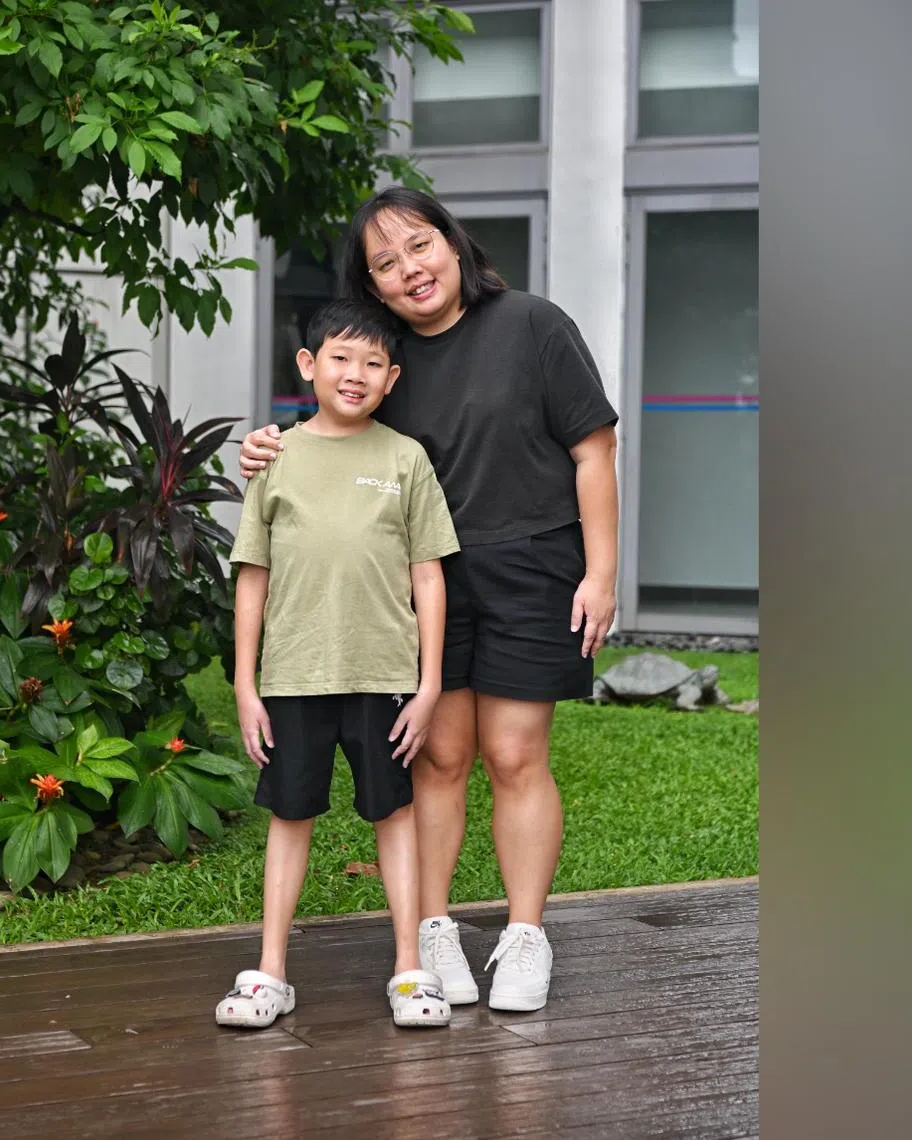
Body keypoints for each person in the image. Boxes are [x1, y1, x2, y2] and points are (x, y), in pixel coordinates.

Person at [238, 187, 620, 1014]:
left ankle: (524, 935)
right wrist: (267, 442)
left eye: (419, 246)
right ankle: (435, 928)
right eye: (385, 264)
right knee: (438, 756)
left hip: (533, 564)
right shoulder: (384, 359)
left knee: (515, 756)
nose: (409, 269)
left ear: (451, 244)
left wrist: (601, 572)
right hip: (423, 580)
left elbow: (595, 451)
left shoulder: (534, 325)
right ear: (371, 286)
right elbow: (333, 429)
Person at [216, 299, 461, 1030]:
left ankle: (410, 971)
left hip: (385, 675)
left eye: (372, 364)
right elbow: (251, 575)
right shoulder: (276, 456)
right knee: (290, 817)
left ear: (392, 377)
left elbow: (428, 575)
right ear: (309, 366)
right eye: (340, 358)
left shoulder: (404, 458)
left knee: (394, 813)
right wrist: (244, 681)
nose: (355, 375)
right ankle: (270, 973)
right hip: (293, 677)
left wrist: (430, 683)